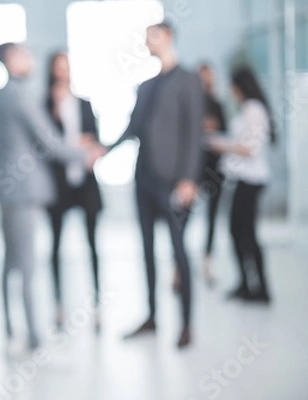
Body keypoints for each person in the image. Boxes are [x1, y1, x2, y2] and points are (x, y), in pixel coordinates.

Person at [0, 42, 106, 350]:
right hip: (25, 191)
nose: (31, 58)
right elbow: (50, 141)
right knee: (27, 265)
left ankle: (9, 326)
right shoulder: (23, 95)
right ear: (13, 59)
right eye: (25, 54)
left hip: (7, 188)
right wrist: (86, 153)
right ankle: (35, 338)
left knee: (10, 261)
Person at [107, 22, 204, 348]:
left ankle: (187, 323)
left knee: (178, 252)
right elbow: (132, 127)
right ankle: (151, 316)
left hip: (173, 182)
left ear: (168, 36)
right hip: (144, 179)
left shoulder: (188, 80)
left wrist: (189, 178)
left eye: (153, 35)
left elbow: (194, 133)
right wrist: (103, 149)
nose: (147, 42)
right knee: (146, 250)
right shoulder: (146, 85)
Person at [44, 52, 104, 332]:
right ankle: (58, 304)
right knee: (55, 244)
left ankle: (97, 305)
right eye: (58, 67)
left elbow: (93, 140)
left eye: (66, 67)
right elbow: (45, 145)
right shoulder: (45, 105)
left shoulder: (83, 104)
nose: (62, 72)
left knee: (93, 243)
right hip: (58, 186)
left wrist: (78, 144)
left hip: (85, 182)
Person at [208, 66, 275, 304]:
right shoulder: (248, 109)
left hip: (251, 180)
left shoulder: (254, 110)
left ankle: (260, 288)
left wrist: (219, 144)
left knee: (246, 234)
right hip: (243, 179)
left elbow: (249, 148)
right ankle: (247, 284)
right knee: (238, 232)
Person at [173, 62, 228, 290]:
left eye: (209, 77)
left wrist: (212, 127)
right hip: (192, 170)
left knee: (212, 219)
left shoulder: (217, 104)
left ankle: (207, 262)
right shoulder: (189, 102)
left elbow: (224, 131)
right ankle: (178, 267)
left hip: (214, 168)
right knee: (183, 218)